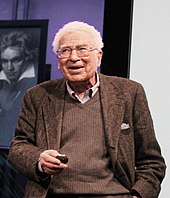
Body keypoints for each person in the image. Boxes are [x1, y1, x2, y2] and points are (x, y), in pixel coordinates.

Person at [8, 21, 166, 198]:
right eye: (65, 50)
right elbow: (18, 146)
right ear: (59, 61)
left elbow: (152, 162)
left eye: (82, 49)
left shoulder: (129, 93)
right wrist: (39, 160)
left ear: (99, 56)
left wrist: (138, 195)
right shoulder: (38, 96)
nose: (74, 57)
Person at [0, 30, 38, 148]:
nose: (9, 67)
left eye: (16, 60)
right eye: (5, 61)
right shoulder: (2, 80)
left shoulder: (36, 85)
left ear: (27, 58)